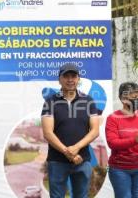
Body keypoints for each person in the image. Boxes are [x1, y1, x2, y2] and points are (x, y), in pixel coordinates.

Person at [41, 63, 99, 198]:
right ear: (59, 79)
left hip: (82, 160)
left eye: (74, 76)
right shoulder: (50, 102)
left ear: (78, 79)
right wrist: (69, 153)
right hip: (57, 161)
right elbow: (48, 133)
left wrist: (76, 148)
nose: (70, 79)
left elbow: (95, 131)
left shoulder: (88, 100)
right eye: (66, 76)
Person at [105, 82, 138, 198]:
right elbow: (112, 143)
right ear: (123, 99)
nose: (137, 100)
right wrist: (135, 139)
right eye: (134, 98)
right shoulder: (113, 118)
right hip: (119, 170)